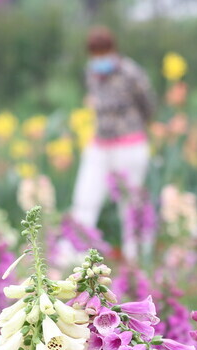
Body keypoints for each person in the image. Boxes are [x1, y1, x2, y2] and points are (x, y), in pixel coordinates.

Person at [69, 26, 156, 260]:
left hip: (129, 144)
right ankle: (75, 255)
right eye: (95, 52)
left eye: (103, 51)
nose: (99, 58)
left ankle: (136, 257)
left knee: (130, 203)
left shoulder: (131, 72)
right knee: (85, 198)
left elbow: (148, 105)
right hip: (100, 144)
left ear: (113, 49)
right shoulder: (91, 73)